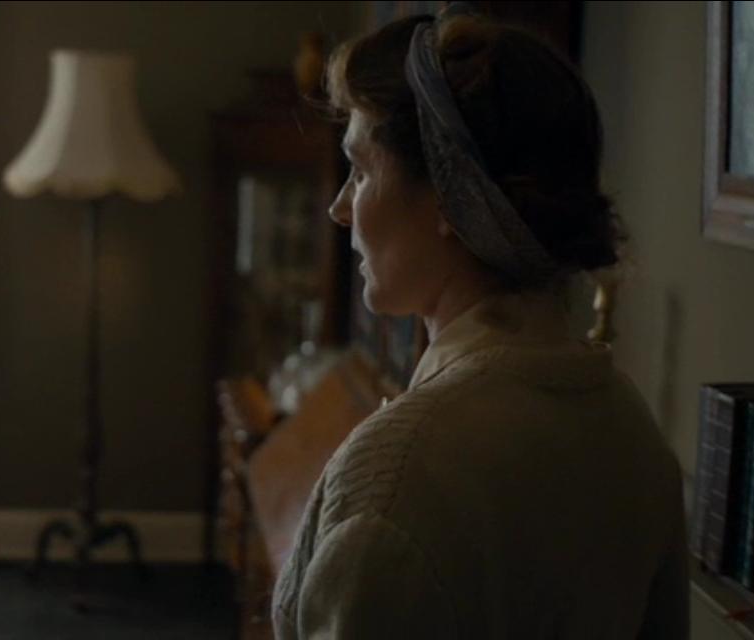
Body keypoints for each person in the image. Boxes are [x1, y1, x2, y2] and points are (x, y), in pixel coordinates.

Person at [272, 6, 688, 639]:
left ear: (449, 195)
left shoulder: (400, 474)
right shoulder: (634, 436)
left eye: (360, 171)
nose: (339, 208)